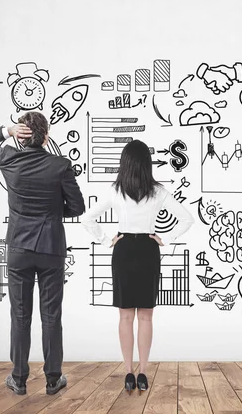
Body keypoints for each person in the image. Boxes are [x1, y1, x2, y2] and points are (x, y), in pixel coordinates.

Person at [0, 112, 85, 396]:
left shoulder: (9, 159)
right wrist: (51, 213)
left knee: (20, 315)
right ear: (46, 137)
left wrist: (7, 130)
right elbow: (77, 207)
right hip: (50, 248)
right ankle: (53, 379)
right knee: (51, 315)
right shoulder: (60, 165)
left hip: (19, 249)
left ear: (22, 136)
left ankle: (19, 378)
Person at [81, 140, 194, 394]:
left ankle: (128, 373)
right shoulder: (158, 191)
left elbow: (87, 218)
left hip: (123, 251)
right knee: (146, 316)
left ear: (125, 163)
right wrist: (166, 238)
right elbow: (188, 218)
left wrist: (105, 239)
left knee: (124, 316)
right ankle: (143, 372)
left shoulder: (115, 190)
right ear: (147, 164)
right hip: (147, 250)